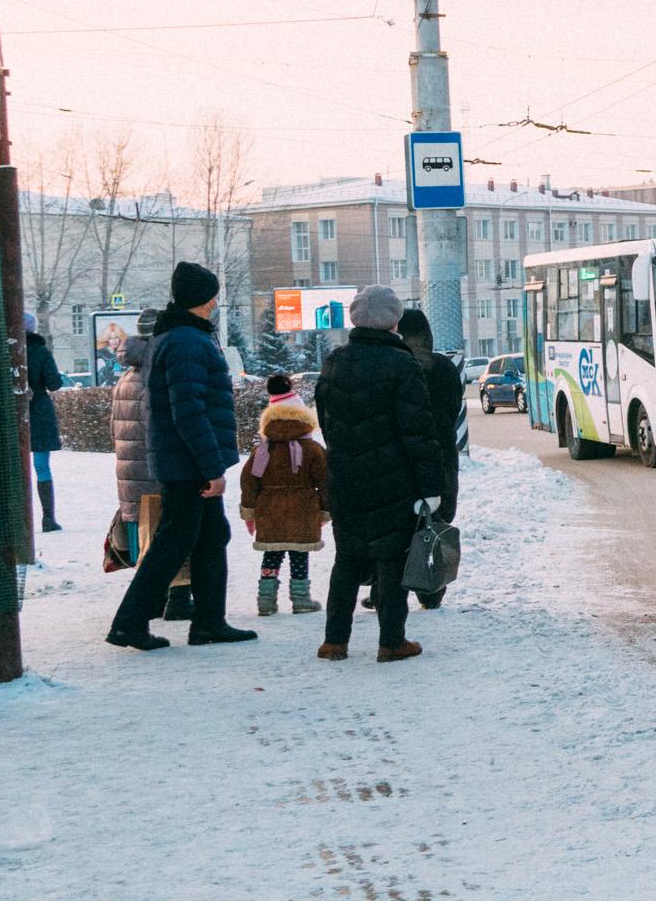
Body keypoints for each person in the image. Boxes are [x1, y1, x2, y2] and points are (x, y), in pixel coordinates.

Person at [105, 262, 256, 650]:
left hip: (183, 460)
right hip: (189, 464)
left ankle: (209, 622)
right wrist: (211, 467)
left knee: (209, 536)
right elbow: (188, 410)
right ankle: (130, 623)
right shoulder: (188, 342)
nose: (216, 302)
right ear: (203, 300)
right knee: (175, 540)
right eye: (213, 296)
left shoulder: (176, 337)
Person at [313, 285, 443, 664]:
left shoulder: (335, 361)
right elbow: (418, 431)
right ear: (394, 321)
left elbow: (326, 421)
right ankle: (391, 642)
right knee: (391, 560)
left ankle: (334, 641)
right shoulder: (402, 364)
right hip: (394, 480)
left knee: (347, 559)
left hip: (346, 477)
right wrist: (431, 486)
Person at [395, 307, 465, 610]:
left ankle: (389, 586)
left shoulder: (397, 367)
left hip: (403, 457)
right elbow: (452, 410)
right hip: (442, 457)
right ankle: (431, 589)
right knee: (432, 523)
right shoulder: (444, 368)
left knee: (398, 528)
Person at [241, 374, 328, 616]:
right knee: (300, 555)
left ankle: (266, 600)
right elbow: (325, 480)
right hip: (303, 508)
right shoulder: (312, 449)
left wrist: (249, 511)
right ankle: (301, 600)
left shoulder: (263, 450)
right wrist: (326, 508)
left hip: (270, 510)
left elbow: (249, 480)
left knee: (272, 555)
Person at [109, 312, 157, 568]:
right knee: (157, 541)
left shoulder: (127, 376)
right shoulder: (154, 375)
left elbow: (114, 430)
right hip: (152, 470)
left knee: (138, 536)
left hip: (127, 470)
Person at [24, 313, 64, 532]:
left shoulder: (5, 351)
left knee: (17, 467)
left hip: (13, 415)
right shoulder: (40, 351)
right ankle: (48, 518)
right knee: (41, 467)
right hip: (39, 412)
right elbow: (54, 384)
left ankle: (19, 518)